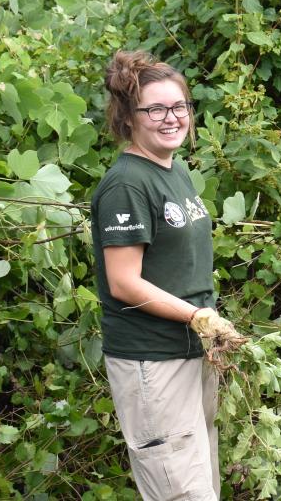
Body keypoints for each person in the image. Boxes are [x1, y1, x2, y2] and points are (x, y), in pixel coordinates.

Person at [91, 50, 244, 500]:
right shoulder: (127, 184)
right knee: (182, 493)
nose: (170, 118)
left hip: (192, 352)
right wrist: (197, 317)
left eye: (179, 107)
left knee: (203, 487)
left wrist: (205, 325)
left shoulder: (175, 172)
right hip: (152, 360)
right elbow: (124, 283)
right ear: (128, 118)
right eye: (155, 109)